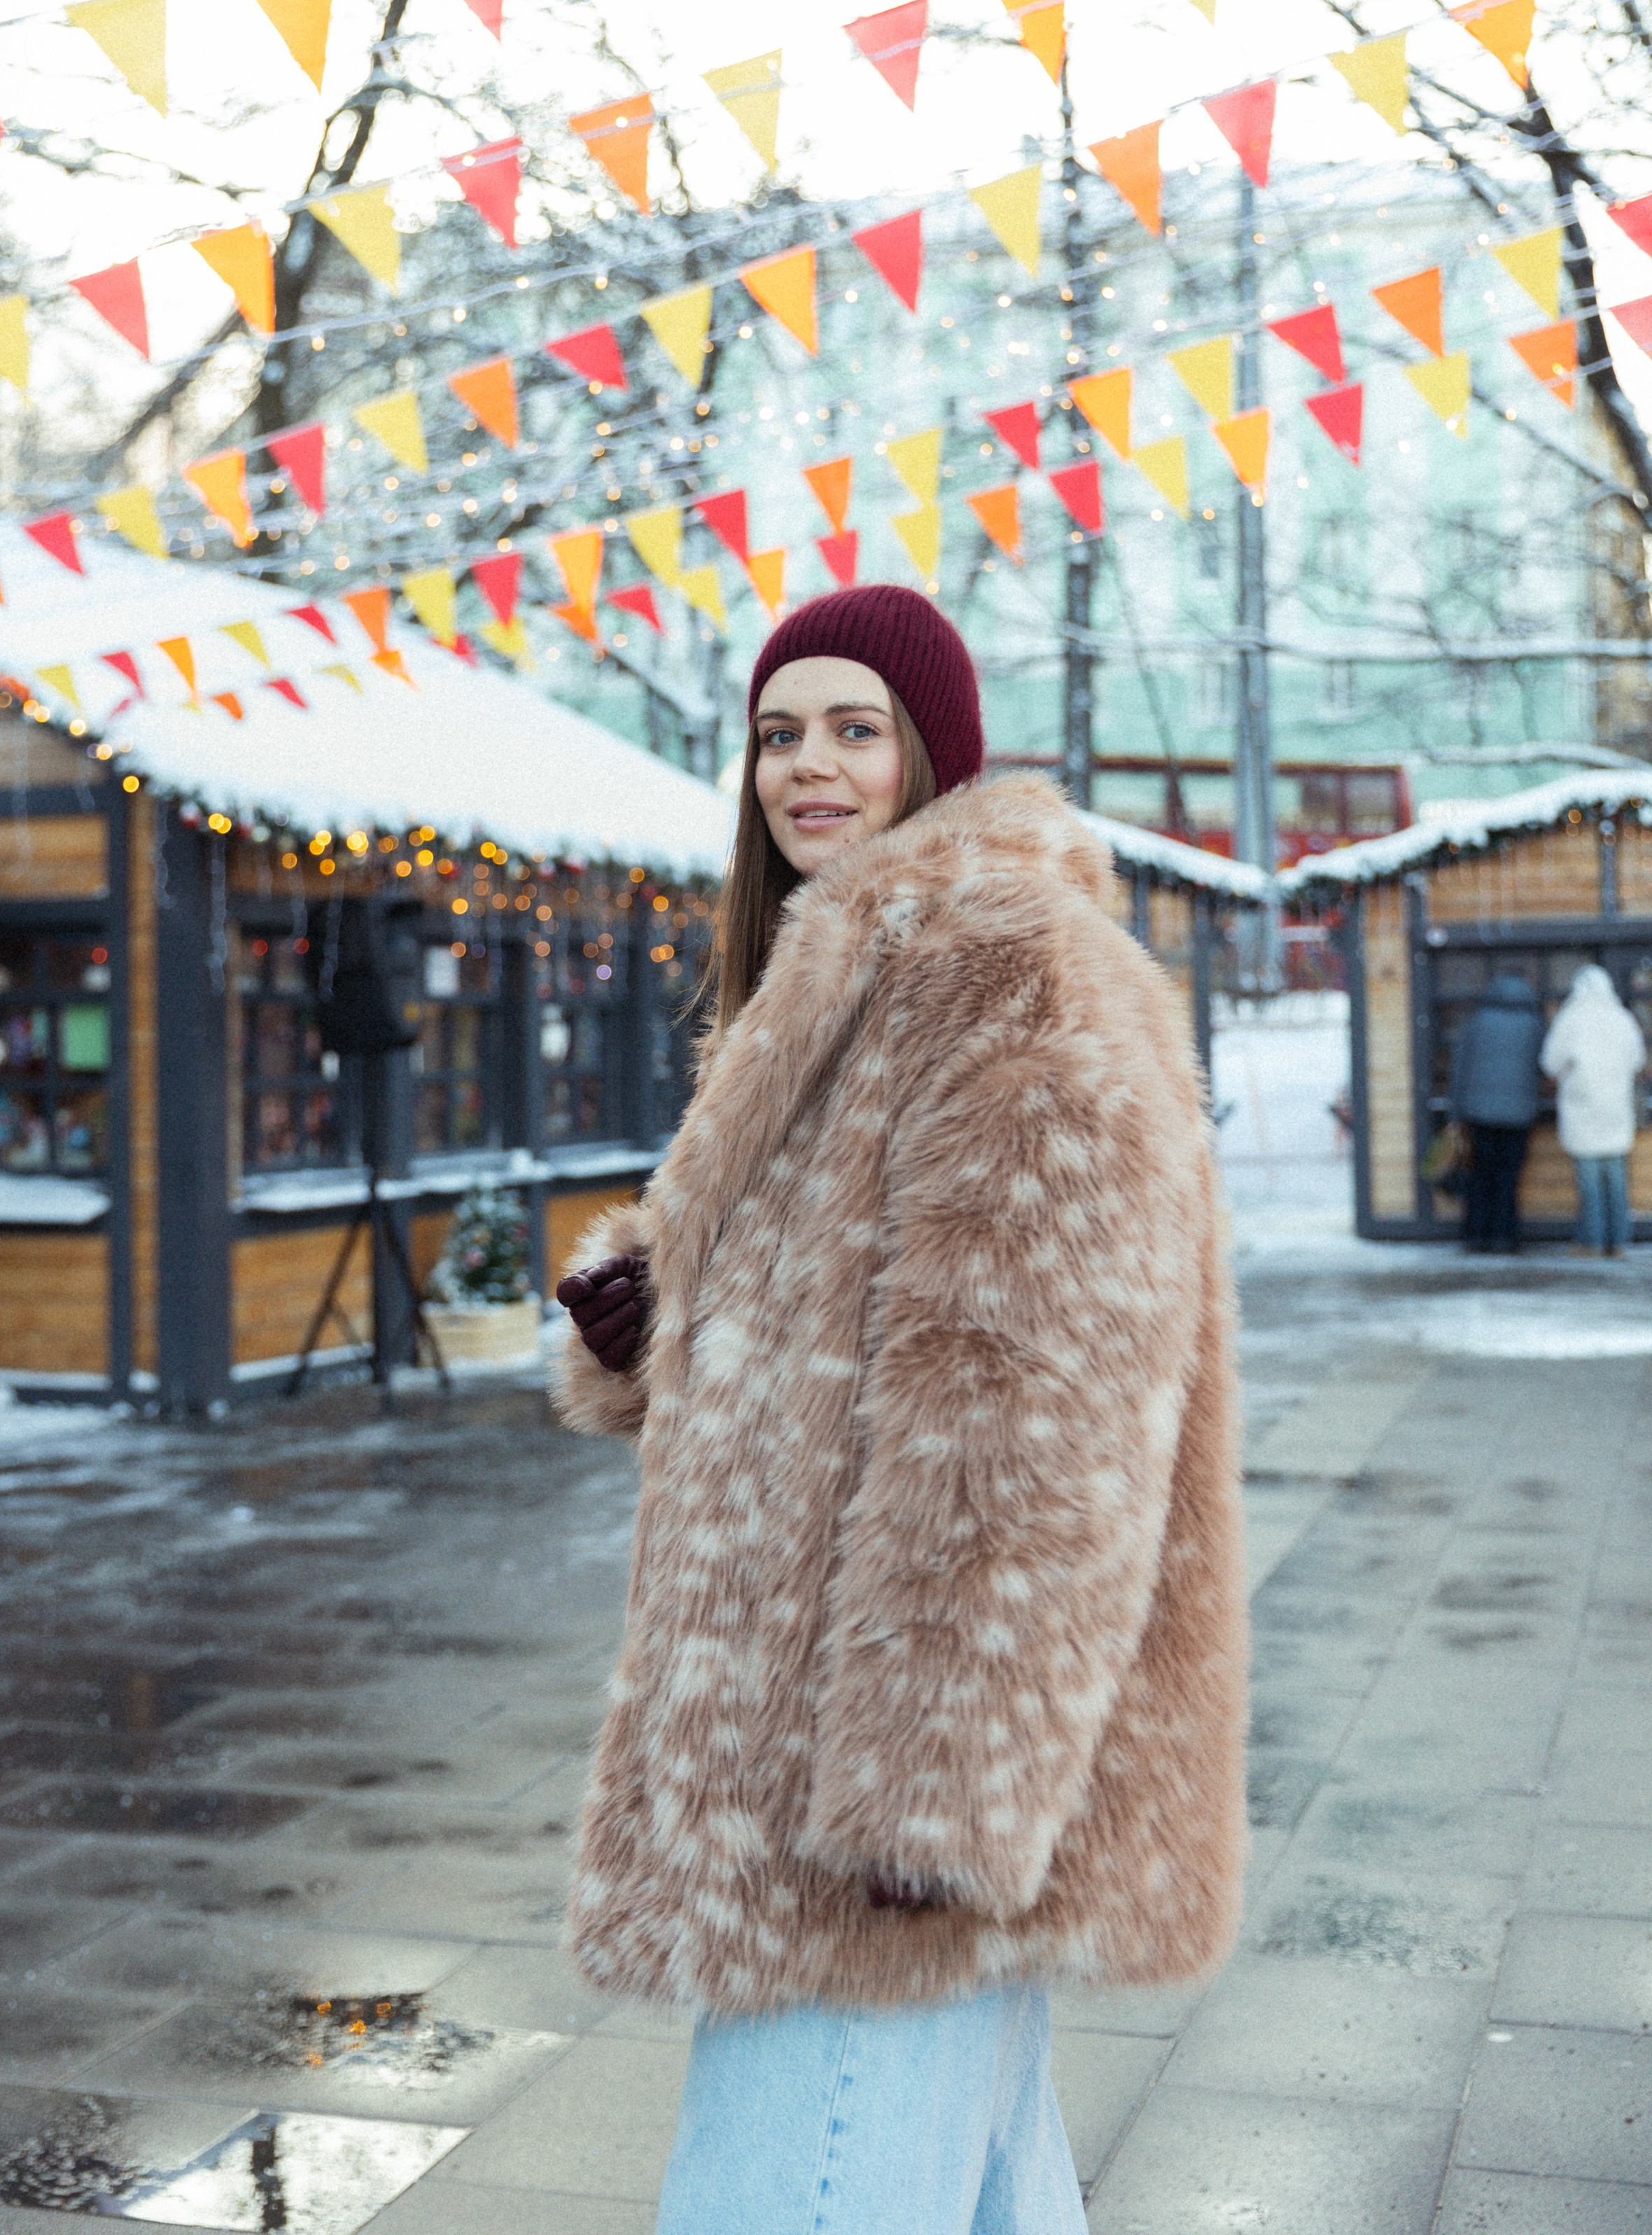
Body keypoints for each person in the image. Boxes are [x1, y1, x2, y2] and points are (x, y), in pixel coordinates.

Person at [554, 585, 1248, 2235]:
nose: (805, 766)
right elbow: (837, 1322)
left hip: (886, 1785)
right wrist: (654, 1311)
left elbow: (1040, 1420)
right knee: (981, 2186)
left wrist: (936, 1781)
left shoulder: (999, 973)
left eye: (853, 727)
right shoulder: (842, 974)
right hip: (842, 1759)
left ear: (933, 751)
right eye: (776, 732)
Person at [1540, 963, 1646, 1256]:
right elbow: (1637, 1059)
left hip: (1582, 1110)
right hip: (1616, 1111)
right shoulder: (1621, 1018)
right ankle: (1619, 1241)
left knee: (1589, 1183)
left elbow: (1550, 1062)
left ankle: (1592, 1241)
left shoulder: (1570, 1019)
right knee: (1616, 1180)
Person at [1450, 971, 1546, 1254]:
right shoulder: (1535, 1024)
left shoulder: (1476, 1022)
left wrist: (1455, 1112)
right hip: (1519, 1115)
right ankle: (1505, 1237)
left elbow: (1460, 1068)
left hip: (1480, 1115)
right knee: (1508, 1178)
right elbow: (1545, 1068)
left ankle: (1476, 1236)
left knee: (1480, 1176)